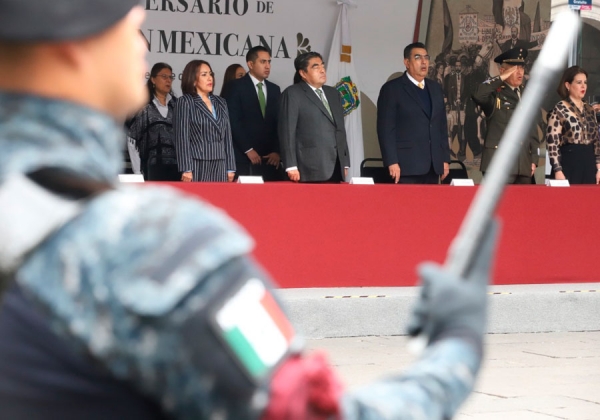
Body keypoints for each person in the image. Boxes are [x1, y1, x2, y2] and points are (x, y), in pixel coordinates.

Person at [0, 1, 498, 418]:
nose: (142, 40)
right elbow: (310, 411)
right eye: (127, 23)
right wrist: (454, 348)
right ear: (71, 46)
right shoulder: (161, 248)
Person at [377, 42, 450, 184]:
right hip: (406, 166)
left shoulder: (435, 88)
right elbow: (386, 129)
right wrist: (391, 161)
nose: (423, 62)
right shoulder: (392, 89)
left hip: (433, 166)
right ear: (406, 62)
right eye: (417, 57)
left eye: (426, 57)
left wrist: (445, 159)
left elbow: (441, 126)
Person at [278, 51, 350, 183]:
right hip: (308, 167)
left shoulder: (334, 93)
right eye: (316, 67)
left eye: (322, 66)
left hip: (335, 166)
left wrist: (345, 161)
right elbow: (287, 131)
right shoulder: (293, 93)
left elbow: (340, 129)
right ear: (303, 73)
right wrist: (291, 165)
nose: (322, 70)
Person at [472, 47, 540, 184]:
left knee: (524, 205)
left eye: (521, 68)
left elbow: (532, 131)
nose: (519, 72)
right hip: (498, 164)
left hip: (523, 164)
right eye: (514, 69)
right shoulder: (495, 94)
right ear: (503, 71)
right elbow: (478, 95)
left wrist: (534, 159)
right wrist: (500, 78)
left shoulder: (527, 95)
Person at [223, 46, 284, 181]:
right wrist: (248, 149)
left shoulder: (275, 89)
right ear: (250, 64)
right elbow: (232, 120)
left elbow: (279, 123)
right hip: (244, 158)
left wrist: (276, 151)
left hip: (270, 161)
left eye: (269, 62)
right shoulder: (236, 86)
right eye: (263, 62)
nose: (268, 66)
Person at [173, 59, 235, 182]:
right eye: (204, 75)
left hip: (220, 163)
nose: (209, 78)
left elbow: (227, 137)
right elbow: (181, 138)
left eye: (210, 74)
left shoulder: (221, 102)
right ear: (193, 80)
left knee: (217, 199)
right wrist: (186, 168)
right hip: (197, 162)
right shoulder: (185, 101)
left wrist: (230, 167)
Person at [546, 66, 600, 184]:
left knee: (588, 201)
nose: (583, 86)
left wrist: (599, 167)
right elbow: (552, 143)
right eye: (579, 82)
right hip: (569, 162)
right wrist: (557, 170)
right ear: (568, 85)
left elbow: (596, 141)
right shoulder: (560, 108)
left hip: (589, 163)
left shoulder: (590, 109)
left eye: (585, 82)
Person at [127, 62, 179, 181]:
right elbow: (132, 140)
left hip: (177, 168)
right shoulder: (143, 106)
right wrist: (137, 173)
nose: (168, 80)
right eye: (164, 76)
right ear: (153, 80)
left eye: (170, 77)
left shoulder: (176, 105)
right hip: (151, 167)